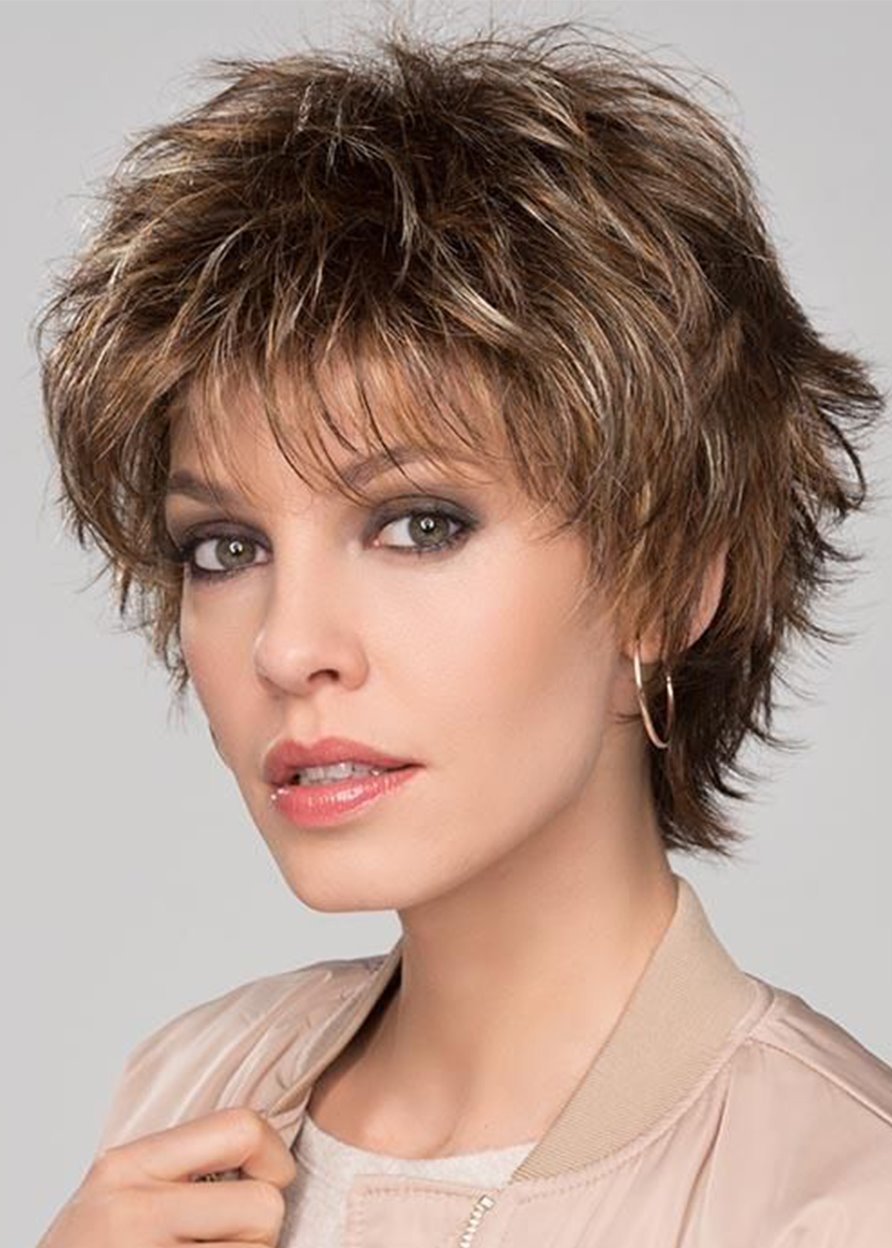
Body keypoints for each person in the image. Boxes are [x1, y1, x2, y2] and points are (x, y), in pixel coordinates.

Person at [34, 18, 891, 1248]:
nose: (287, 647)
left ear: (665, 581)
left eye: (417, 525)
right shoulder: (191, 1088)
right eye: (225, 548)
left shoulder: (832, 1198)